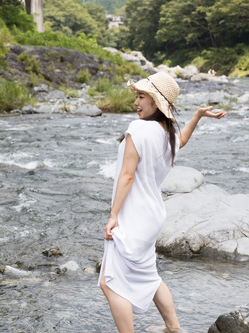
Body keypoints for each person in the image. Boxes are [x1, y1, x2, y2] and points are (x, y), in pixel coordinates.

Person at [97, 72, 226, 333]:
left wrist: (113, 216)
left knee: (110, 283)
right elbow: (182, 141)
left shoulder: (138, 129)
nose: (136, 102)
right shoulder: (165, 133)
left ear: (156, 102)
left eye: (141, 96)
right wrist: (197, 117)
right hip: (153, 215)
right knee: (149, 274)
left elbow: (127, 174)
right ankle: (173, 328)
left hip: (133, 216)